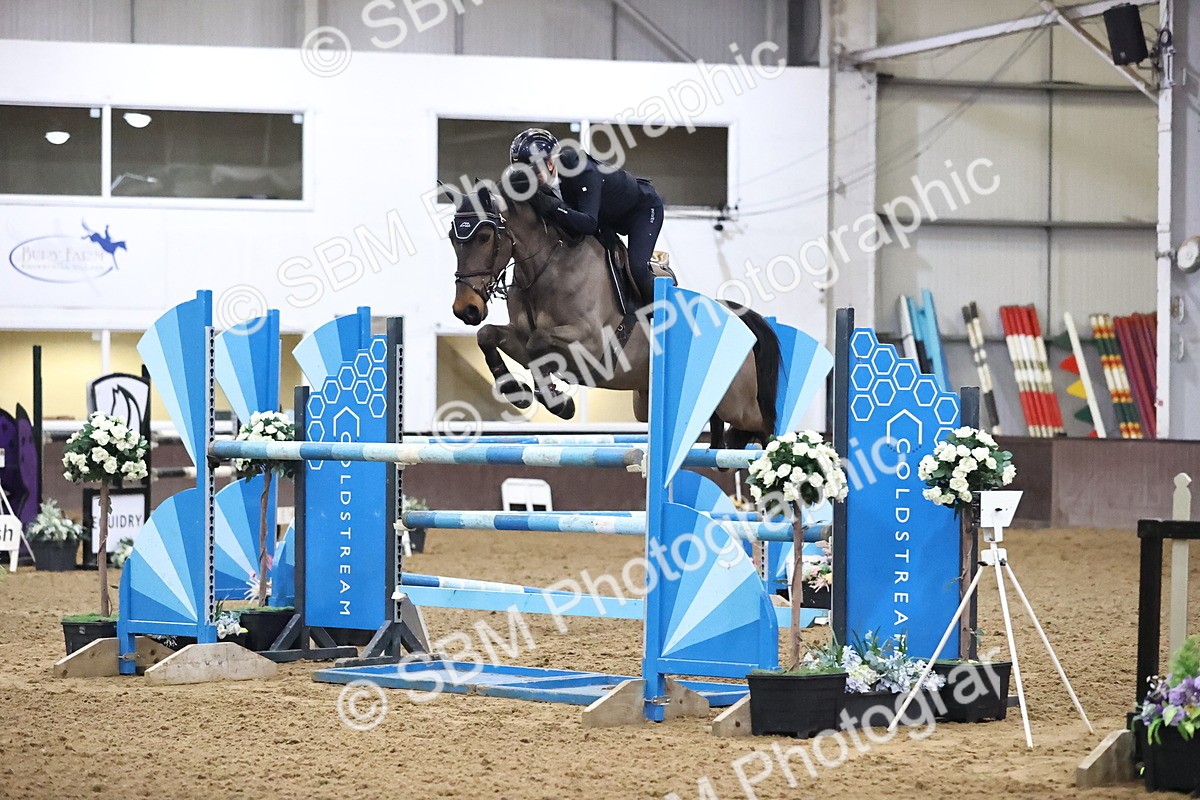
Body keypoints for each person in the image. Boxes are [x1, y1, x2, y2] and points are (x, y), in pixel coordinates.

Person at [508, 128, 664, 305]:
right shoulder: (538, 181)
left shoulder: (582, 170)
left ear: (551, 163)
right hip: (606, 217)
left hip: (641, 211)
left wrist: (551, 205)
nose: (530, 181)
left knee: (637, 268)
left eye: (533, 172)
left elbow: (588, 223)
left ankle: (659, 313)